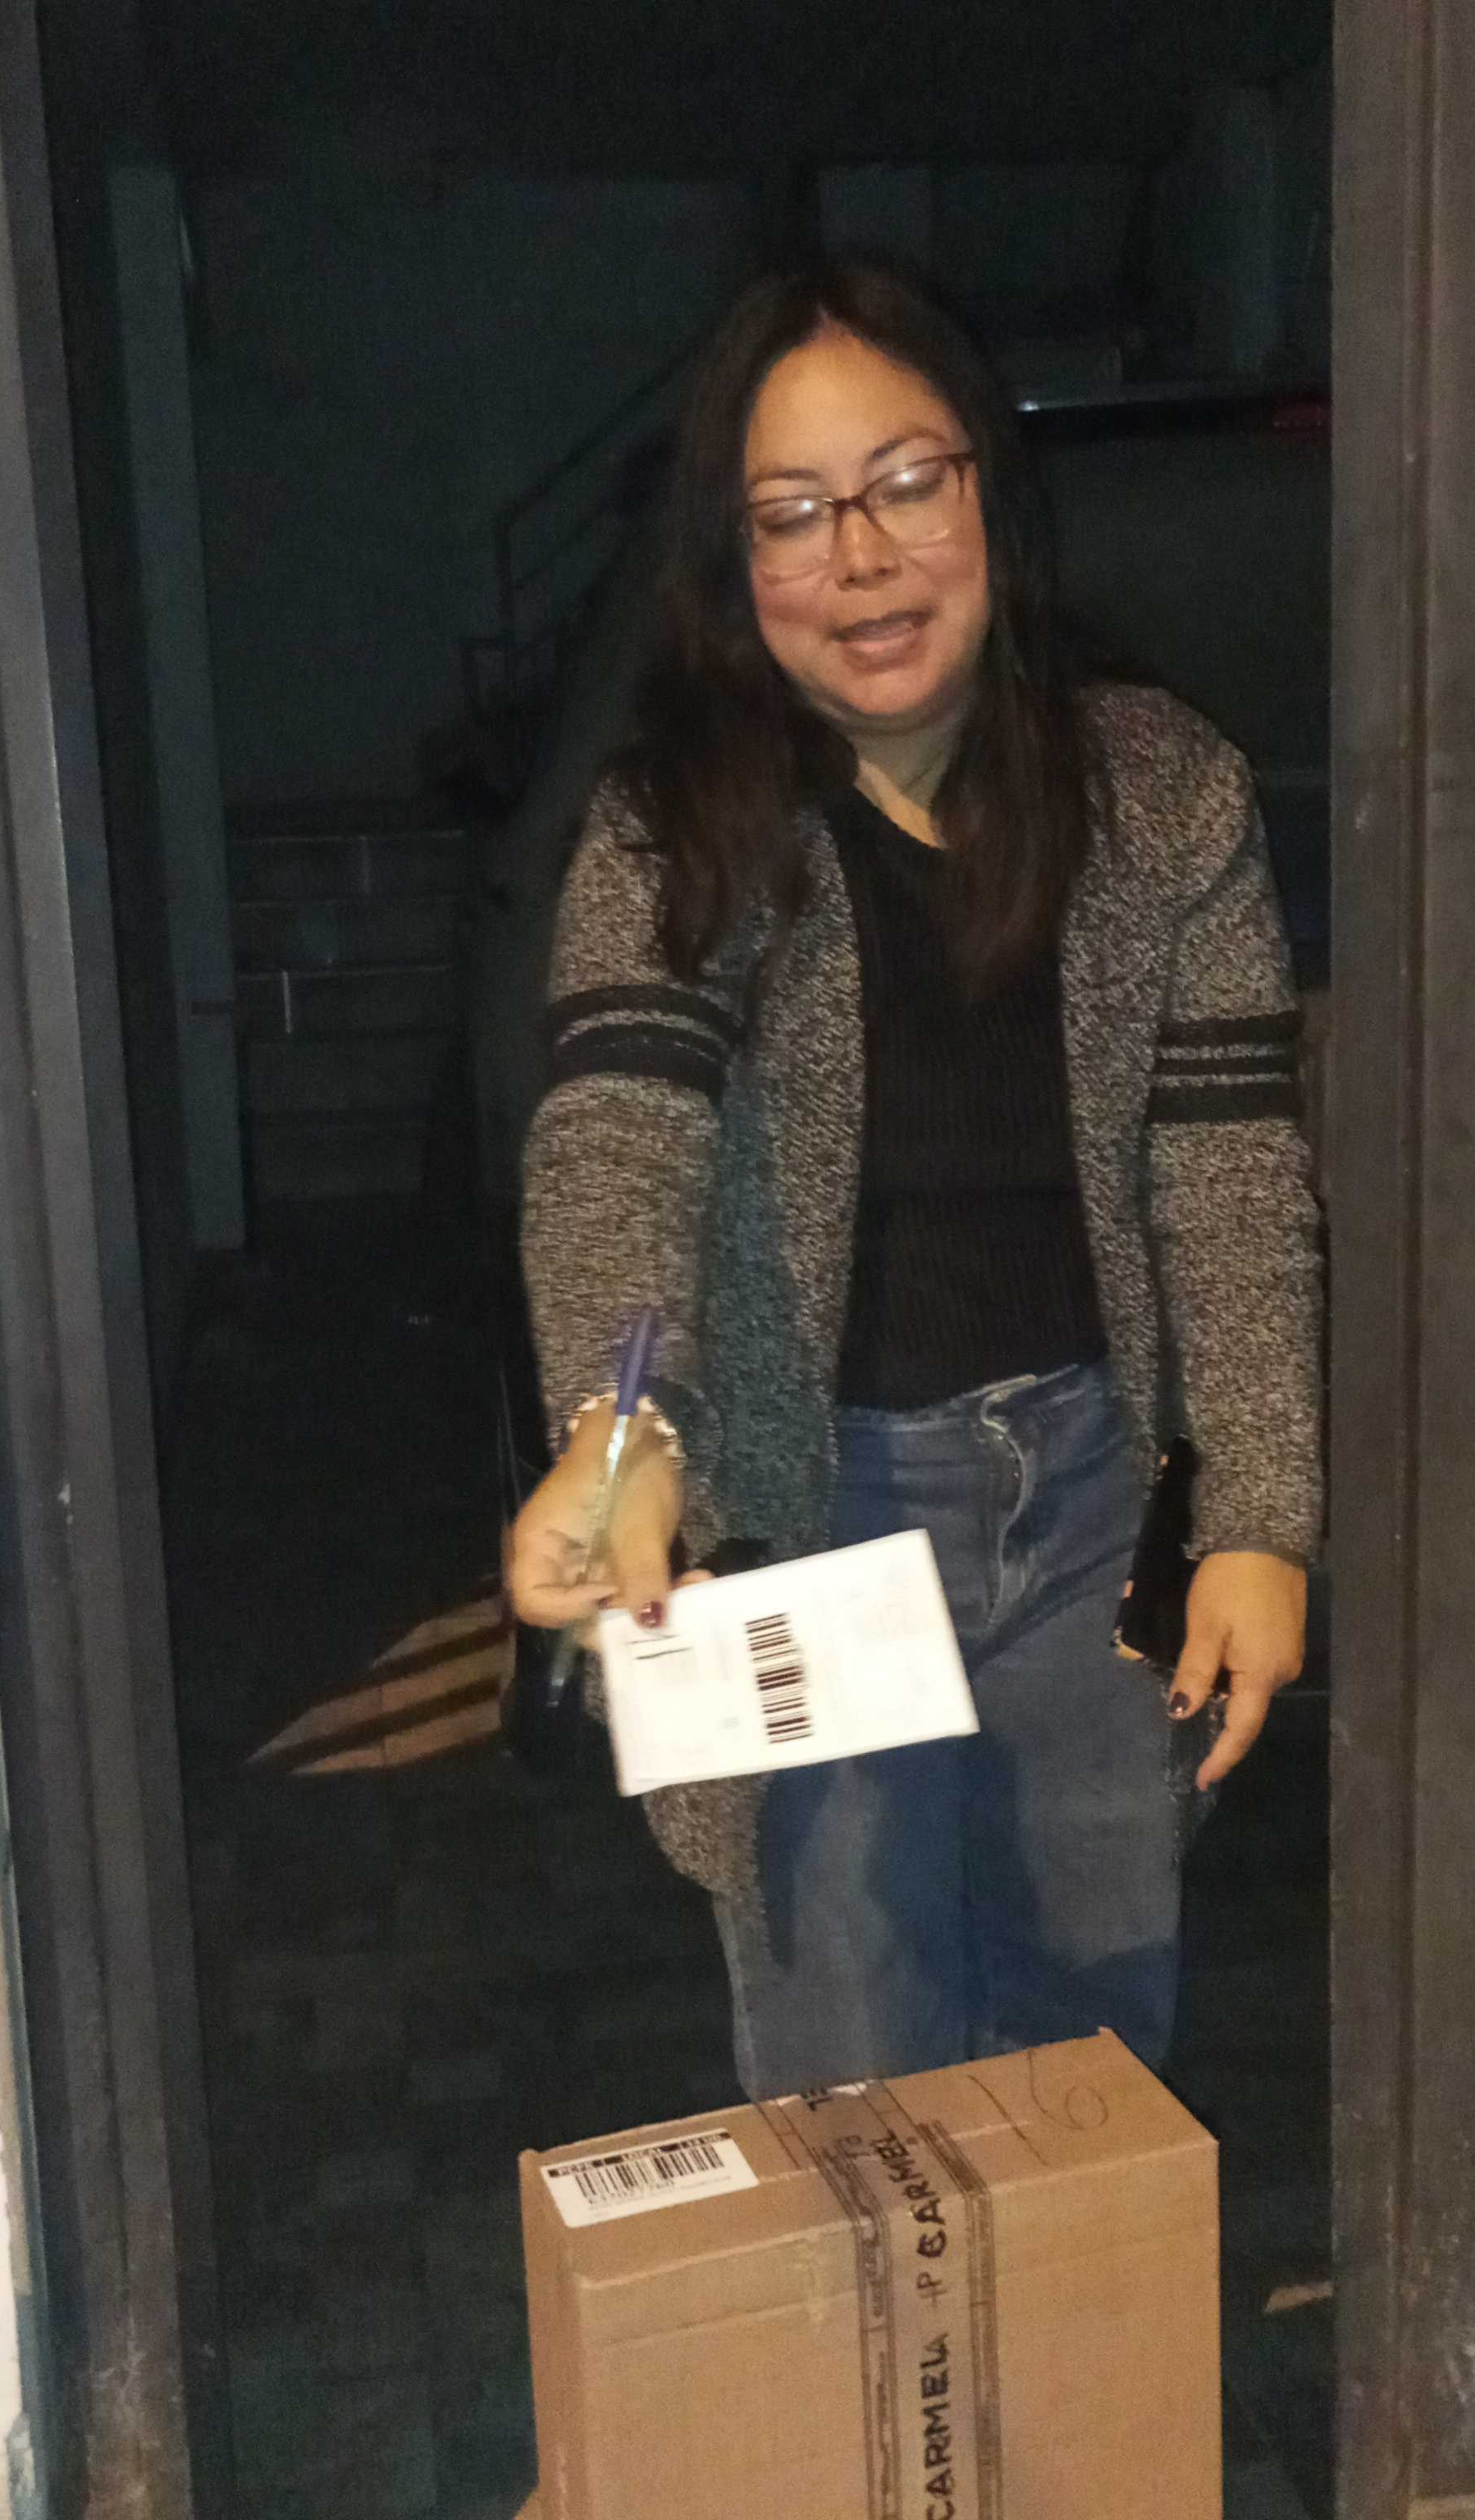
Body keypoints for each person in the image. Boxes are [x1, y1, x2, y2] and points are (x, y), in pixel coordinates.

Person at [505, 258, 1322, 2102]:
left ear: (988, 493)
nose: (861, 558)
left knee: (1088, 2063)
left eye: (902, 484)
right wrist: (622, 1430)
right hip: (813, 1512)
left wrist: (1261, 1518)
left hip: (1101, 1499)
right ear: (733, 561)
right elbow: (623, 1130)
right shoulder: (674, 827)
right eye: (792, 513)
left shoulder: (1166, 792)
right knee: (853, 2081)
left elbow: (1233, 1179)